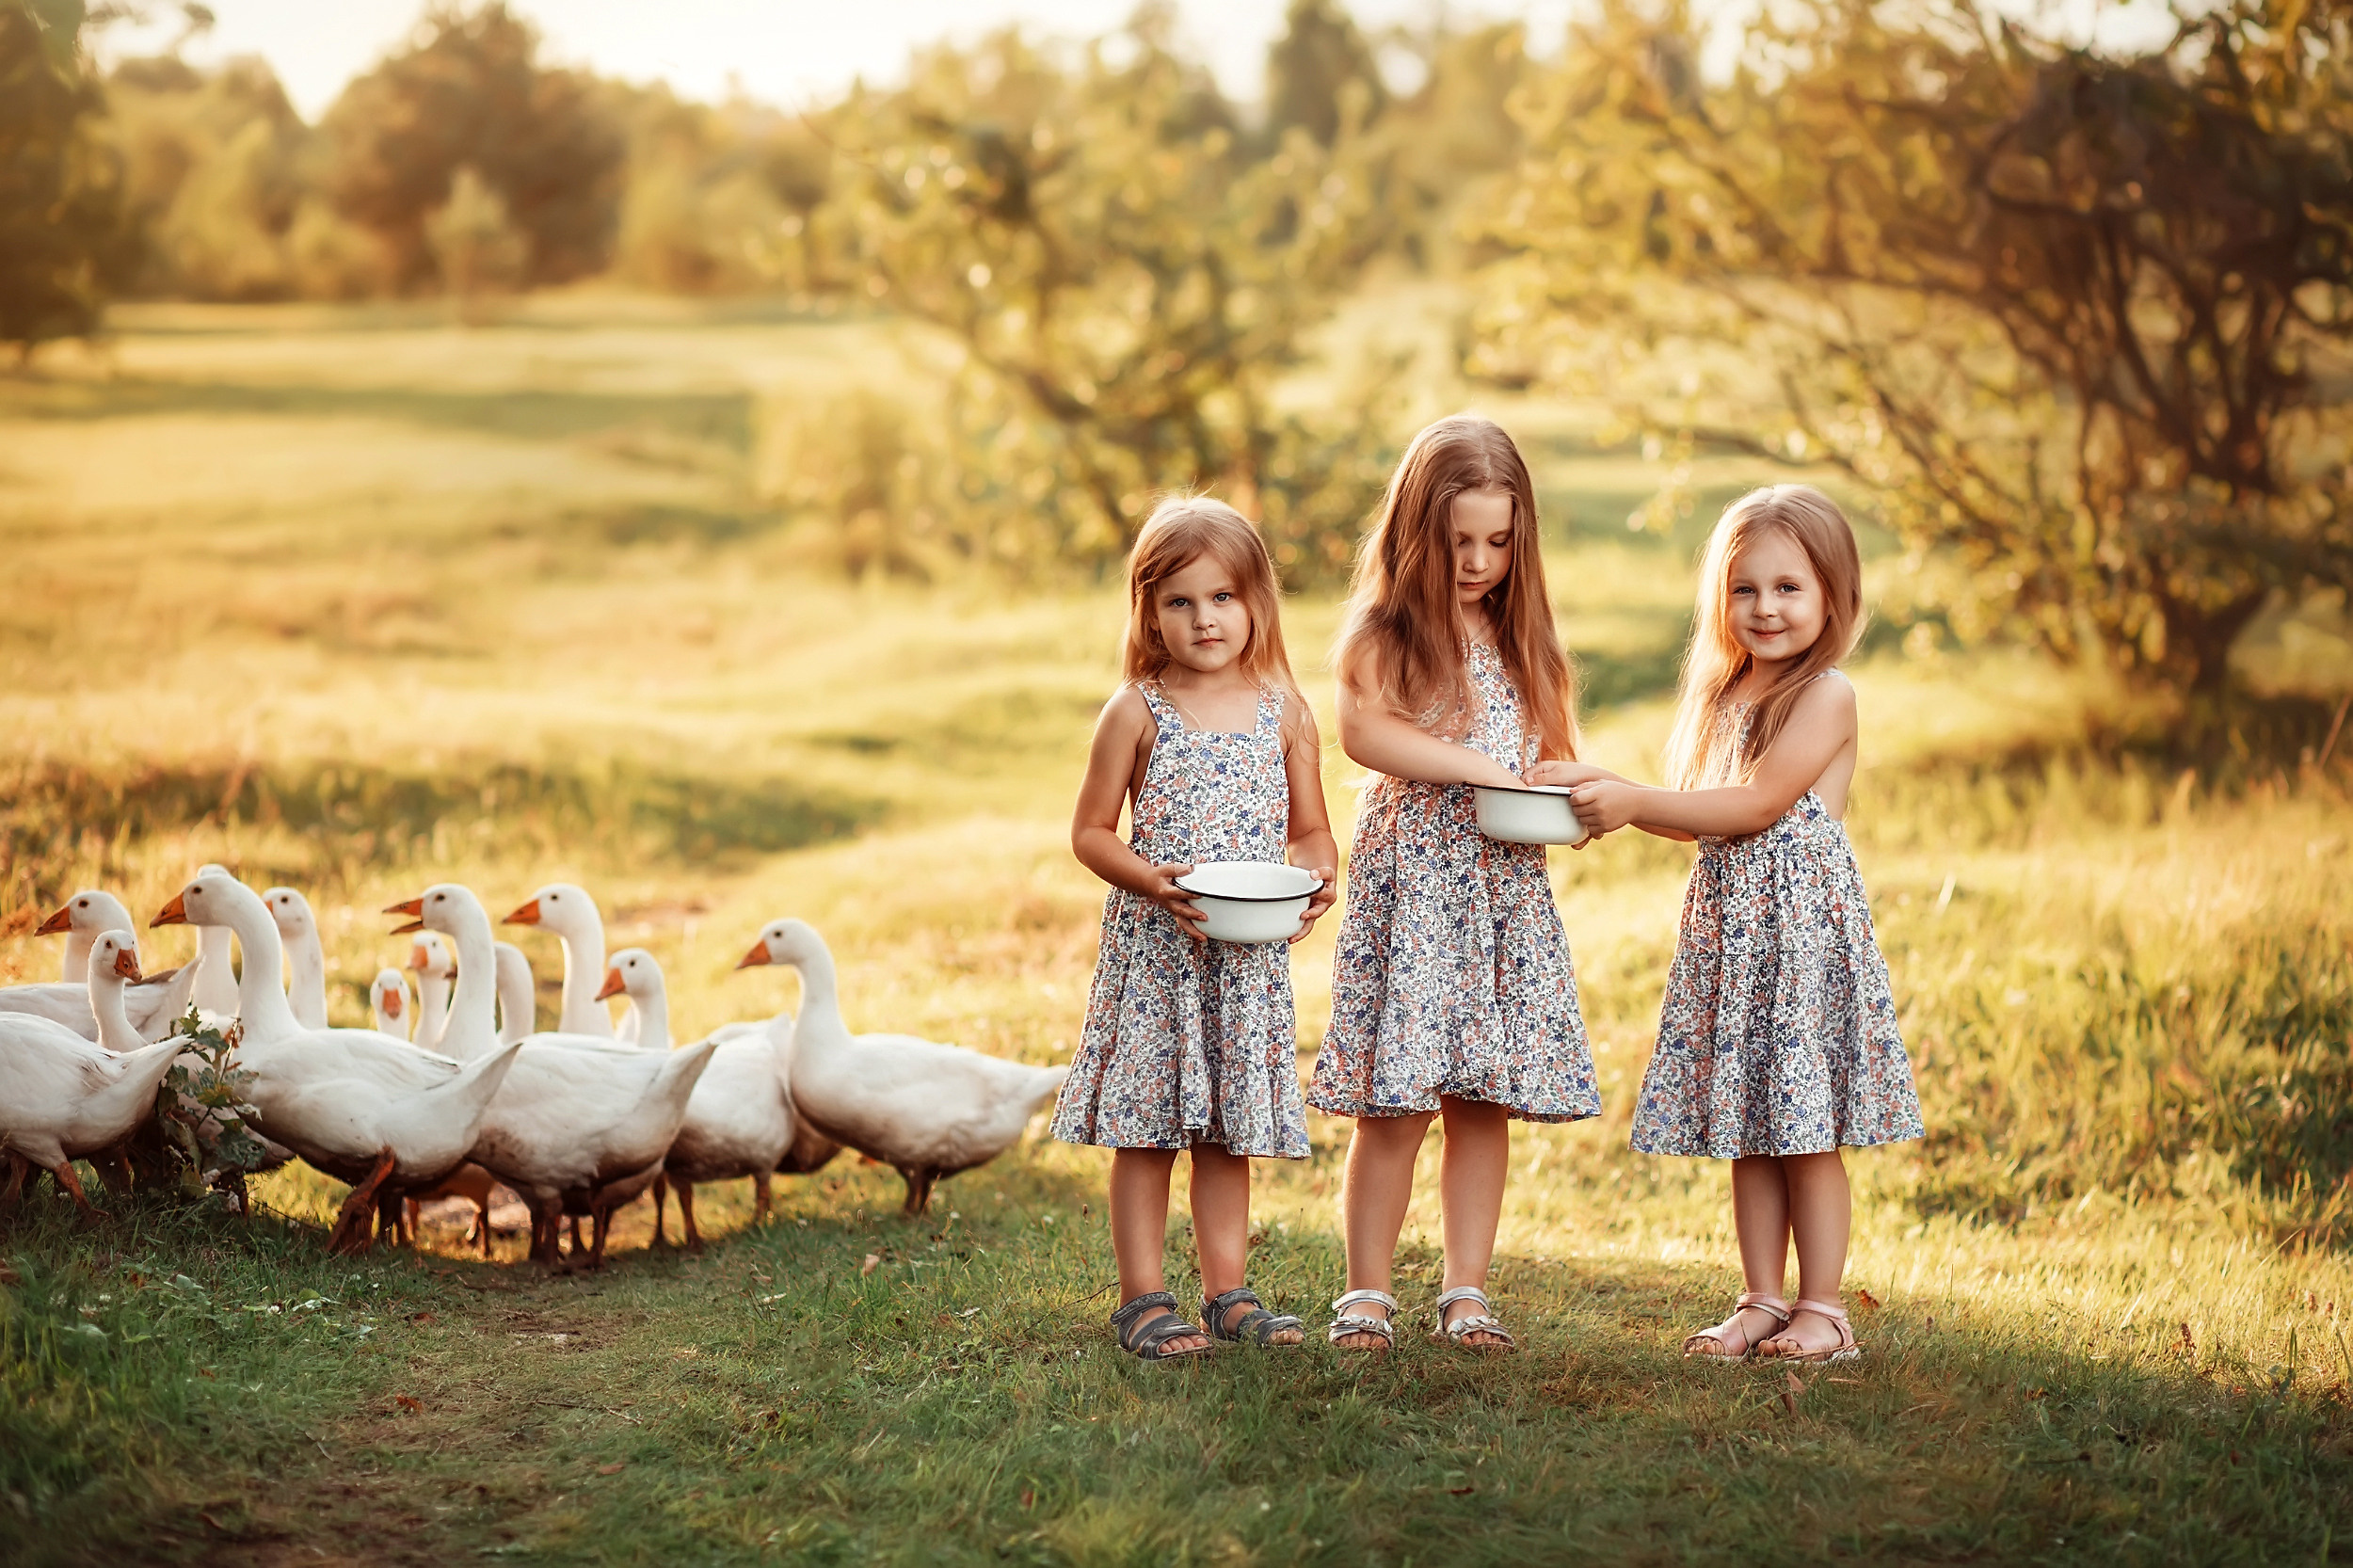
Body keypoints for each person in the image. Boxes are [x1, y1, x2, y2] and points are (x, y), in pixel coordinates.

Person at [1550, 484, 1924, 1364]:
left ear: (1834, 594)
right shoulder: (1725, 695)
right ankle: (1761, 1297)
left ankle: (1824, 1309)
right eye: (1745, 589)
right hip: (1735, 941)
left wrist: (1638, 798)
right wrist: (1609, 790)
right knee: (1751, 1128)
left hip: (1797, 942)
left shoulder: (1826, 695)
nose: (1766, 608)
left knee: (1808, 1134)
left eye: (1789, 588)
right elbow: (1695, 816)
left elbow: (1758, 803)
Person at [1310, 414, 1600, 1355]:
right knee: (1394, 1101)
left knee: (1481, 1100)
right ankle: (1366, 1292)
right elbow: (1365, 734)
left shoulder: (1524, 638)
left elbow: (1545, 750)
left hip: (1499, 892)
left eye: (1497, 540)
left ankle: (1466, 1290)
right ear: (1414, 534)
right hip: (1418, 885)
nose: (1477, 560)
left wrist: (1565, 786)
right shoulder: (1386, 629)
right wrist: (1476, 768)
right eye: (1457, 540)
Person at [1056, 496, 1339, 1362]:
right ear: (1148, 610)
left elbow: (1312, 829)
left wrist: (1319, 877)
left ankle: (1228, 1292)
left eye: (1222, 597)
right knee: (1148, 1130)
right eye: (1178, 602)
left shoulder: (1284, 711)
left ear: (1256, 601)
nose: (1204, 619)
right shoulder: (1136, 710)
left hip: (1245, 958)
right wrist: (1151, 879)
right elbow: (1091, 832)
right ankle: (1142, 1298)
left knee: (1228, 1129)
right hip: (1158, 954)